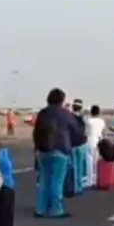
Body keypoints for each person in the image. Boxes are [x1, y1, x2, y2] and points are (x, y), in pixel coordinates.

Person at [32, 88, 84, 218]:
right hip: (60, 149)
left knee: (44, 180)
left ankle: (40, 208)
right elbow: (77, 132)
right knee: (57, 180)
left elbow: (36, 131)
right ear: (61, 100)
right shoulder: (66, 114)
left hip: (43, 150)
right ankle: (56, 209)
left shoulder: (42, 113)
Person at [84, 105, 107, 184]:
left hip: (89, 141)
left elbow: (85, 132)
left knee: (89, 161)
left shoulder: (88, 121)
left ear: (91, 112)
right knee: (96, 161)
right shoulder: (102, 121)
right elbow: (104, 132)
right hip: (98, 141)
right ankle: (96, 178)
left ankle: (89, 180)